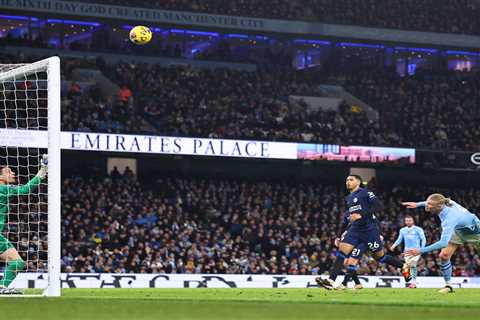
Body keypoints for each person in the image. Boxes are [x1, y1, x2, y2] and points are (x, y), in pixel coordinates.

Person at [316, 175, 410, 290]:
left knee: (380, 257)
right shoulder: (349, 198)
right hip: (355, 229)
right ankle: (331, 280)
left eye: (351, 180)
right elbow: (348, 220)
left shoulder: (366, 193)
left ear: (358, 182)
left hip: (369, 230)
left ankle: (403, 265)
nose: (348, 182)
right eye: (346, 180)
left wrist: (362, 215)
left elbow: (378, 206)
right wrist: (339, 235)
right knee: (342, 252)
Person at [402, 193, 480, 293]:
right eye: (427, 203)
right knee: (444, 255)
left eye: (429, 204)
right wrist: (417, 204)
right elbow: (432, 201)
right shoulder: (444, 203)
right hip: (458, 229)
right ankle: (448, 286)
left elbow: (443, 243)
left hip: (475, 233)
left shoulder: (449, 218)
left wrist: (421, 250)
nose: (427, 205)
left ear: (439, 206)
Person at [0, 154, 48, 294]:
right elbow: (25, 189)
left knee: (18, 262)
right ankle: (2, 287)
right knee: (17, 262)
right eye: (8, 171)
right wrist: (42, 171)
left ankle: (3, 287)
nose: (13, 172)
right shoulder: (3, 189)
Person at [390, 215, 426, 288]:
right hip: (406, 252)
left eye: (409, 220)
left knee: (412, 264)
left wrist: (422, 249)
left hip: (416, 250)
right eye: (406, 220)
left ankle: (413, 282)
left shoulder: (418, 229)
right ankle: (411, 280)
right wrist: (394, 245)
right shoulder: (402, 230)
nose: (408, 222)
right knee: (408, 266)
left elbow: (423, 239)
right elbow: (399, 239)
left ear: (413, 221)